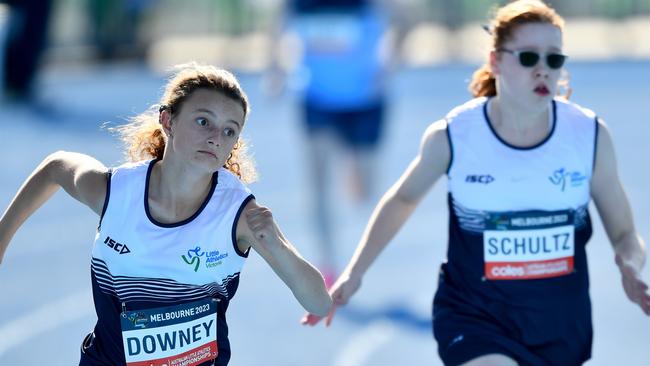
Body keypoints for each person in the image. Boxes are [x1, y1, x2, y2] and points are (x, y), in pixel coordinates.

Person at [303, 1, 650, 365]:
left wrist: (629, 264)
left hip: (560, 329)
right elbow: (403, 199)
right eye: (529, 58)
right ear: (496, 61)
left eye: (555, 59)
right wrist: (354, 273)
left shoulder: (588, 136)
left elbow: (626, 233)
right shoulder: (455, 135)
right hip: (474, 318)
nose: (543, 70)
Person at [0, 63, 332, 366]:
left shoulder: (239, 214)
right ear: (168, 120)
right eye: (203, 122)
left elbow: (320, 303)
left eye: (230, 131)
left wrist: (275, 244)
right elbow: (57, 165)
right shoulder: (116, 192)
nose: (216, 138)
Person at [266, 0, 406, 285]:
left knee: (365, 192)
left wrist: (391, 59)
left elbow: (405, 17)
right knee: (319, 185)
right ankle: (327, 265)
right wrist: (276, 67)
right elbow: (276, 27)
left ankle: (350, 156)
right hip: (317, 99)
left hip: (365, 99)